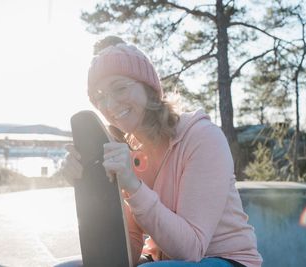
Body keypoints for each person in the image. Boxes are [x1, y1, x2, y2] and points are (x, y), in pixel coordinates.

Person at [61, 36, 262, 267]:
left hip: (227, 260)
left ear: (149, 88)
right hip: (160, 261)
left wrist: (133, 186)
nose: (109, 105)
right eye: (99, 97)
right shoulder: (130, 152)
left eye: (119, 88)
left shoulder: (202, 138)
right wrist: (88, 188)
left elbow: (191, 249)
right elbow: (126, 250)